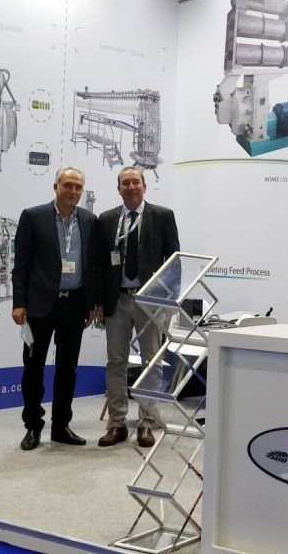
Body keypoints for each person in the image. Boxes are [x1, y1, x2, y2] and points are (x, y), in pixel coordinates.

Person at [11, 166, 105, 451]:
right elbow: (21, 264)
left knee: (67, 369)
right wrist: (19, 303)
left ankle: (61, 425)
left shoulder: (89, 220)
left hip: (74, 305)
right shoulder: (33, 217)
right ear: (56, 187)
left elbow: (93, 266)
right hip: (39, 305)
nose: (73, 191)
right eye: (67, 185)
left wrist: (91, 303)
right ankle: (33, 426)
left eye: (78, 187)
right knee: (33, 369)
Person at [95, 166, 180, 448]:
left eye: (136, 182)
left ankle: (146, 422)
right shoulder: (107, 219)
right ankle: (117, 423)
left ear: (144, 186)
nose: (131, 187)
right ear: (118, 189)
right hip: (117, 300)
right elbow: (99, 264)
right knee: (115, 362)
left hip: (151, 301)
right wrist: (98, 301)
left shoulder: (163, 216)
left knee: (151, 362)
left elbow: (174, 260)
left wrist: (170, 299)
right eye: (125, 183)